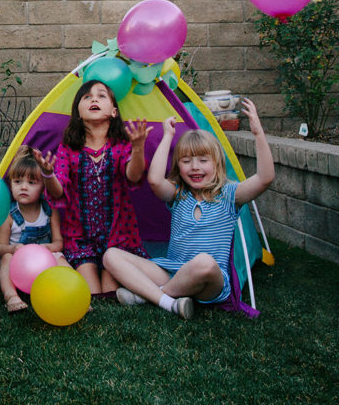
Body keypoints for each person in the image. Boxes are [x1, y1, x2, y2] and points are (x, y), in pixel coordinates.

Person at [103, 98, 274, 319]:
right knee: (111, 255)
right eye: (186, 161)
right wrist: (167, 136)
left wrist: (258, 134)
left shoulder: (230, 195)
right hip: (172, 271)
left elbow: (265, 178)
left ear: (217, 163)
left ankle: (151, 296)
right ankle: (170, 301)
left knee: (204, 262)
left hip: (209, 282)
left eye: (203, 160)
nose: (195, 167)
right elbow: (155, 180)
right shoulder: (178, 194)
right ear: (178, 166)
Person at [35, 79, 151, 295]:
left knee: (110, 292)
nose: (94, 99)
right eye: (86, 97)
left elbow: (133, 176)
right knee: (93, 293)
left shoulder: (122, 145)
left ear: (114, 112)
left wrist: (137, 148)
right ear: (78, 113)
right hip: (80, 238)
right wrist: (48, 174)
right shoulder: (68, 149)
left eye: (101, 95)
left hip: (118, 237)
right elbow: (58, 191)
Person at [0, 145, 70, 313]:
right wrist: (13, 249)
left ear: (43, 187)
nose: (23, 187)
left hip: (44, 264)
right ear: (11, 184)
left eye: (31, 182)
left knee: (60, 258)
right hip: (17, 266)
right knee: (6, 257)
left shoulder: (49, 211)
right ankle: (11, 296)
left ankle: (72, 291)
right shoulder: (8, 215)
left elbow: (59, 243)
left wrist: (48, 248)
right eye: (18, 181)